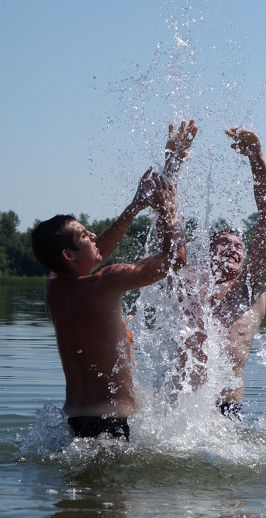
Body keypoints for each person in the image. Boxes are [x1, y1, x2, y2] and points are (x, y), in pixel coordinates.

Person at [31, 168, 187, 441]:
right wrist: (170, 213)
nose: (93, 235)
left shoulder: (54, 287)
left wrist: (136, 206)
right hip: (110, 424)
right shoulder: (104, 282)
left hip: (74, 421)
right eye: (83, 234)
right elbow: (175, 261)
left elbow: (91, 254)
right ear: (68, 254)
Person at [163, 122, 266, 417]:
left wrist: (256, 157)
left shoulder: (252, 289)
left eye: (240, 246)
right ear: (209, 252)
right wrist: (173, 159)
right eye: (224, 243)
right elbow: (166, 219)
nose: (234, 248)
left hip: (228, 408)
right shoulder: (188, 283)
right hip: (182, 408)